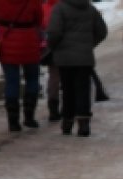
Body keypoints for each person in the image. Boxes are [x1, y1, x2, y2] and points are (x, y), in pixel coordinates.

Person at [45, 0, 107, 136]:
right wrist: (88, 44)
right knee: (83, 90)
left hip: (64, 58)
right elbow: (102, 31)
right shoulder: (90, 9)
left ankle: (67, 122)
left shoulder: (59, 9)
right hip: (84, 57)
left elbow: (54, 32)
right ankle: (84, 124)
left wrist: (53, 46)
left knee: (68, 90)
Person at [0, 0, 44, 132]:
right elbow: (39, 18)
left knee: (11, 81)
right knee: (32, 79)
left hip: (7, 41)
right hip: (29, 42)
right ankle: (29, 117)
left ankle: (13, 121)